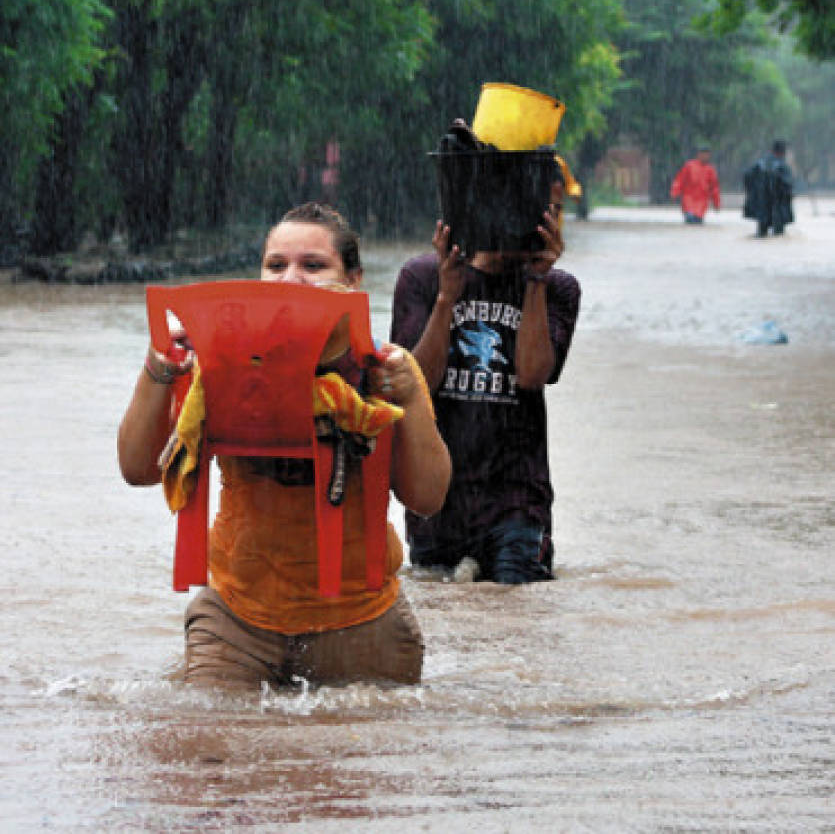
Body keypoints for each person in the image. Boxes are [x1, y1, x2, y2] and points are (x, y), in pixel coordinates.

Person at [118, 202, 451, 689]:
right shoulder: (212, 362)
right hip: (236, 621)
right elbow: (137, 469)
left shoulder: (384, 371)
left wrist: (413, 396)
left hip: (362, 622)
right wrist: (160, 367)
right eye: (276, 266)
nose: (290, 280)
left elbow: (428, 498)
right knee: (205, 744)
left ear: (352, 282)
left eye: (313, 266)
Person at [390, 162, 580, 585]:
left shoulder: (559, 288)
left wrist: (535, 280)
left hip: (517, 499)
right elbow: (415, 385)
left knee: (519, 622)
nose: (543, 223)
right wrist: (446, 298)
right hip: (437, 500)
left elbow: (531, 375)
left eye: (552, 212)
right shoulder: (422, 277)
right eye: (535, 210)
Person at [743, 140, 794, 237]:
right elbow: (787, 185)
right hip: (777, 206)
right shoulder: (782, 166)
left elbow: (747, 177)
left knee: (761, 234)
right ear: (783, 152)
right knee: (779, 236)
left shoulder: (759, 163)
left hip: (762, 206)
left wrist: (754, 194)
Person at [670, 147, 721, 224]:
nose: (705, 157)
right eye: (704, 154)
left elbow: (714, 188)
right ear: (699, 155)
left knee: (697, 222)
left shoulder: (710, 170)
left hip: (701, 204)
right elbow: (679, 180)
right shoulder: (689, 166)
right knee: (690, 219)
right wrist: (674, 193)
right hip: (688, 201)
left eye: (707, 155)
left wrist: (716, 203)